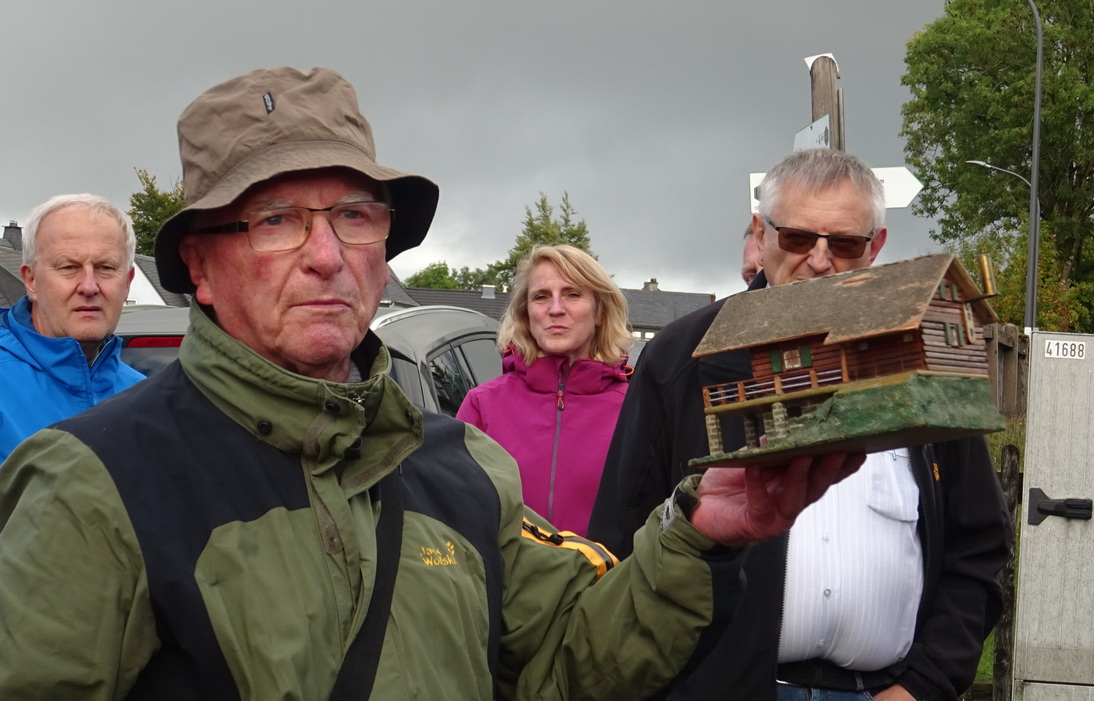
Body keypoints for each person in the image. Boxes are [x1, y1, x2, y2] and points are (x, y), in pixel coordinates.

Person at [0, 68, 863, 700]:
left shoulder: (458, 468)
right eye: (274, 220)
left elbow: (567, 659)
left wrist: (699, 536)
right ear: (201, 265)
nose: (328, 254)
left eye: (354, 214)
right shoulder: (93, 484)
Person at [589, 148, 1013, 701]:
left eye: (843, 243)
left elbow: (978, 543)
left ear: (875, 248)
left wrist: (925, 685)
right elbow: (619, 539)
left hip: (882, 691)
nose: (819, 260)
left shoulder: (919, 355)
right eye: (797, 239)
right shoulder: (682, 359)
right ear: (761, 235)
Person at [456, 244, 631, 536]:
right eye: (541, 297)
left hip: (608, 581)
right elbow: (452, 511)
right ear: (526, 314)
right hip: (504, 581)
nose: (556, 309)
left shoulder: (635, 409)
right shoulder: (482, 406)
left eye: (573, 294)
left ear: (600, 311)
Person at [0, 193, 143, 461]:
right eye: (68, 267)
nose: (89, 286)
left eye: (105, 267)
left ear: (127, 283)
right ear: (31, 281)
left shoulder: (146, 400)